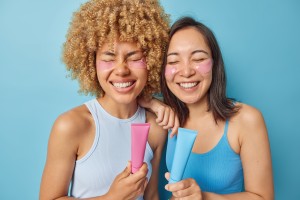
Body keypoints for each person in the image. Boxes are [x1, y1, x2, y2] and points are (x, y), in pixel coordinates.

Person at [39, 0, 175, 199]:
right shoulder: (71, 126)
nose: (121, 69)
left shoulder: (155, 128)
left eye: (134, 57)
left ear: (152, 61)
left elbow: (151, 195)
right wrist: (112, 197)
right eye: (109, 57)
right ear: (91, 62)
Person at [160, 17, 274, 199]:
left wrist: (204, 197)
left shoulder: (246, 120)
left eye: (198, 58)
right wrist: (151, 103)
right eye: (173, 62)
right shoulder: (166, 117)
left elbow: (263, 197)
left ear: (215, 64)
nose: (187, 71)